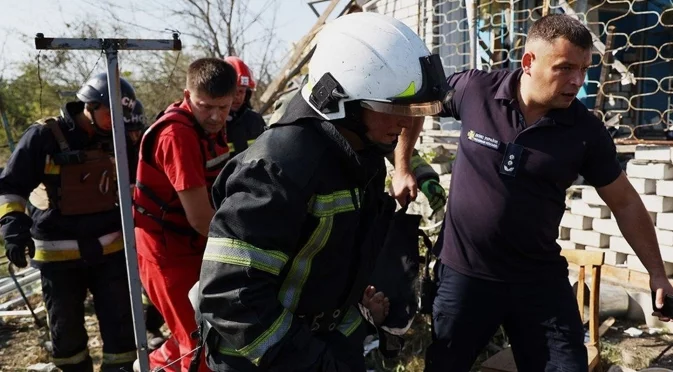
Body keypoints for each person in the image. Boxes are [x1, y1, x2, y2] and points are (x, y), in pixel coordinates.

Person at [196, 12, 449, 371]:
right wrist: (315, 363)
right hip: (264, 358)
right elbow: (231, 295)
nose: (406, 124)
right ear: (339, 101)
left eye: (413, 110)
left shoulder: (362, 154)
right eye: (394, 109)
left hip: (324, 344)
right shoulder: (277, 168)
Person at [424, 14, 673, 371]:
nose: (577, 81)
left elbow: (625, 201)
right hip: (465, 274)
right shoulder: (474, 90)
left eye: (584, 69)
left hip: (537, 280)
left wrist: (657, 274)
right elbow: (417, 101)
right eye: (565, 68)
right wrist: (404, 166)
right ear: (529, 62)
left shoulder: (584, 131)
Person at [0, 73, 138, 372]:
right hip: (58, 256)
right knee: (67, 335)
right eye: (109, 113)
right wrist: (13, 227)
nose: (116, 121)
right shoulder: (44, 136)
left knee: (122, 332)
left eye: (122, 115)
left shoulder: (121, 139)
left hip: (110, 252)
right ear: (89, 105)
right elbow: (11, 186)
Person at [132, 57, 238, 372]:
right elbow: (201, 218)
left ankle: (148, 367)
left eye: (224, 106)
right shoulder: (175, 136)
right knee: (199, 348)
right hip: (165, 254)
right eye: (206, 106)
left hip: (195, 246)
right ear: (187, 94)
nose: (216, 116)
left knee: (206, 335)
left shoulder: (212, 124)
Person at [269, 86, 447, 216]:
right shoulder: (291, 115)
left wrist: (420, 173)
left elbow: (390, 142)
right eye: (392, 109)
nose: (405, 123)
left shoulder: (365, 112)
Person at [223, 56, 266, 158]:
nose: (237, 97)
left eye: (241, 91)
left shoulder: (256, 120)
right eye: (233, 92)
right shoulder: (216, 122)